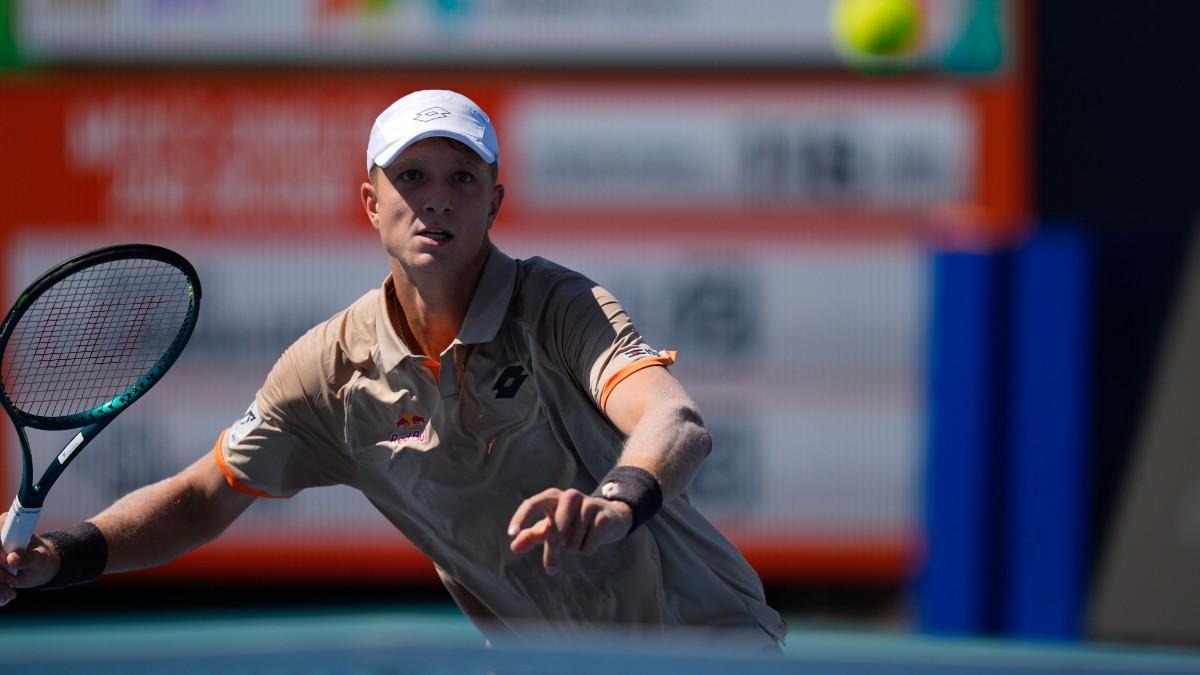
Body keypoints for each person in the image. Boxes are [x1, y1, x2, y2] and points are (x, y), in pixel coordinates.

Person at [0, 90, 786, 647]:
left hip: (703, 642)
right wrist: (62, 557)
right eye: (409, 177)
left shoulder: (558, 304)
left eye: (461, 178)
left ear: (494, 201)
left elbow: (674, 420)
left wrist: (615, 500)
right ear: (371, 202)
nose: (435, 199)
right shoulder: (330, 371)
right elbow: (203, 495)